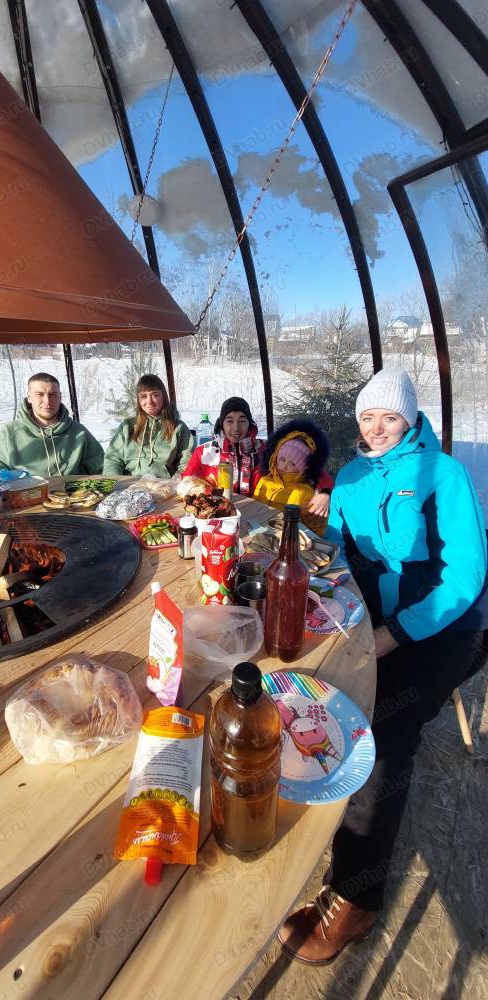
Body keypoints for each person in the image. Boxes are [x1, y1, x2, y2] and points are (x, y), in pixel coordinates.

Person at [278, 368, 487, 965]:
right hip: (376, 620)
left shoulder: (441, 474)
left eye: (389, 418)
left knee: (384, 733)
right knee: (315, 683)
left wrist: (393, 634)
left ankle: (356, 898)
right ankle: (316, 807)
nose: (376, 428)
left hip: (450, 625)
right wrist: (315, 586)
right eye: (367, 417)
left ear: (410, 419)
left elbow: (466, 576)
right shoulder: (351, 475)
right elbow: (335, 552)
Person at [0, 373, 104, 478]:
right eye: (40, 394)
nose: (47, 401)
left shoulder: (79, 432)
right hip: (27, 493)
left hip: (73, 493)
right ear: (29, 397)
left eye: (52, 395)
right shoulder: (9, 433)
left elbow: (102, 468)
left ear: (60, 397)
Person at [103, 374, 193, 478]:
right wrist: (115, 481)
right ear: (138, 400)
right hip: (129, 483)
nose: (149, 401)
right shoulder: (127, 427)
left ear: (163, 396)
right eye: (144, 396)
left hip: (163, 485)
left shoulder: (178, 428)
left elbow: (186, 464)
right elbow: (113, 459)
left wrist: (173, 483)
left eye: (155, 395)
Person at [253, 417, 333, 521]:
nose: (285, 466)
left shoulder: (304, 491)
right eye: (282, 459)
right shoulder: (265, 480)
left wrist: (325, 493)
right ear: (275, 457)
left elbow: (313, 521)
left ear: (302, 468)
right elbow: (255, 503)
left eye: (293, 464)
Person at [182, 396, 264, 496]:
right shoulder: (203, 453)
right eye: (230, 421)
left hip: (259, 505)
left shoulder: (265, 450)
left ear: (249, 423)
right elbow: (186, 485)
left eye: (242, 421)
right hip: (216, 505)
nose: (236, 428)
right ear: (222, 424)